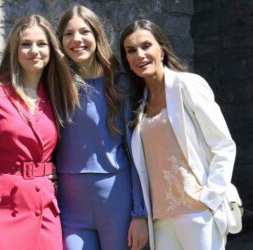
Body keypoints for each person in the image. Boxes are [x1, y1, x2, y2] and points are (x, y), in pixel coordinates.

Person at [0, 15, 79, 250]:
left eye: (41, 44)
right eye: (26, 44)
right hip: (1, 211)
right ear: (15, 49)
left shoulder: (57, 95)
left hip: (45, 209)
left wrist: (52, 169)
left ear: (51, 50)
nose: (34, 50)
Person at [120, 19, 237, 250]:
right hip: (161, 219)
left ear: (161, 50)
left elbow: (223, 145)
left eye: (146, 46)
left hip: (197, 212)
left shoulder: (188, 85)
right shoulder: (138, 104)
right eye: (131, 50)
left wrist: (210, 199)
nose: (139, 55)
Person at [55, 5, 148, 250]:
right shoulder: (55, 85)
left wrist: (140, 213)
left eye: (84, 31)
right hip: (70, 205)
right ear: (60, 40)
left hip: (116, 199)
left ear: (97, 35)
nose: (77, 40)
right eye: (68, 34)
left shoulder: (120, 85)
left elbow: (135, 150)